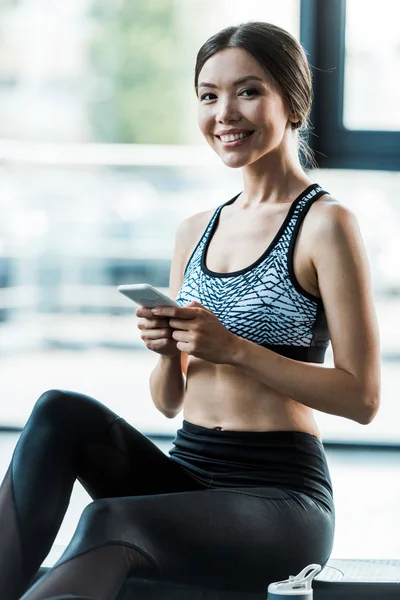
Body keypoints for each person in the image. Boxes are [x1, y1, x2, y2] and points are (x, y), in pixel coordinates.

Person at [0, 20, 380, 600]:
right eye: (209, 96)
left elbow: (362, 398)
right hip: (191, 475)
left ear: (293, 103)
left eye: (248, 91)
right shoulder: (195, 231)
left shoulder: (325, 224)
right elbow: (171, 399)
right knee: (59, 412)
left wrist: (233, 348)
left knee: (108, 519)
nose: (224, 112)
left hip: (280, 501)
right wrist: (167, 351)